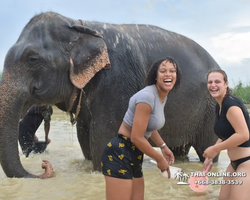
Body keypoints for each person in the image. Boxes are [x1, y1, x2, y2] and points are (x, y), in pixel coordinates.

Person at [101, 56, 182, 200]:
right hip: (120, 150)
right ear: (156, 77)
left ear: (177, 76)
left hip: (135, 152)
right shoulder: (147, 97)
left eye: (172, 71)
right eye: (163, 71)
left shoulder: (161, 96)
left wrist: (163, 146)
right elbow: (137, 137)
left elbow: (149, 126)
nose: (168, 74)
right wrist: (159, 158)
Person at [203, 69, 250, 200]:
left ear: (226, 84)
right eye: (210, 82)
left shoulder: (231, 105)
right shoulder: (219, 105)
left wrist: (216, 148)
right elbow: (226, 134)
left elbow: (243, 135)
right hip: (234, 163)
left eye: (217, 81)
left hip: (247, 163)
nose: (213, 85)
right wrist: (211, 156)